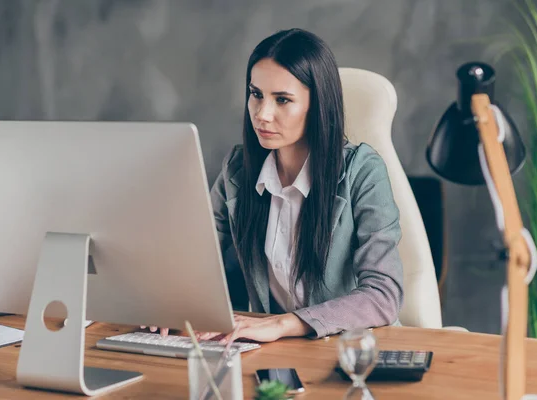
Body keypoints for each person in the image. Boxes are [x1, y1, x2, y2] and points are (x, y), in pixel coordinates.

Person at [144, 28, 403, 342]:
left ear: (318, 105)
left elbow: (383, 295)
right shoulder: (238, 169)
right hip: (271, 350)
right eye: (256, 94)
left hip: (350, 350)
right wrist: (168, 303)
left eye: (282, 100)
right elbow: (193, 257)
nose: (262, 114)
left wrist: (283, 324)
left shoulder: (363, 170)